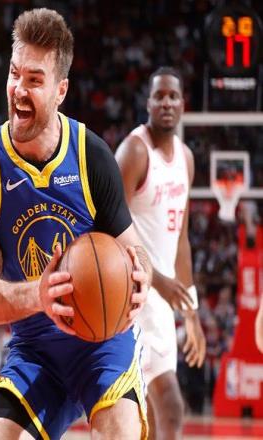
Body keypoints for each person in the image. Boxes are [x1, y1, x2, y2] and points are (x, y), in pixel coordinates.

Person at [0, 8, 152, 440]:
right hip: (35, 350)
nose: (18, 89)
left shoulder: (91, 155)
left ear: (61, 90)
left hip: (104, 345)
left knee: (119, 432)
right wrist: (41, 296)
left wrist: (141, 279)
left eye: (34, 80)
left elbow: (135, 250)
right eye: (14, 74)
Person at [115, 66, 207, 440]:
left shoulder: (186, 159)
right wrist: (156, 279)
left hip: (164, 302)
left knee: (152, 421)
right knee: (170, 405)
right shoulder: (134, 151)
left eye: (173, 96)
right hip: (133, 295)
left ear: (183, 104)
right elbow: (110, 227)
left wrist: (192, 313)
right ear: (148, 103)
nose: (166, 102)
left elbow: (181, 240)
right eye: (159, 96)